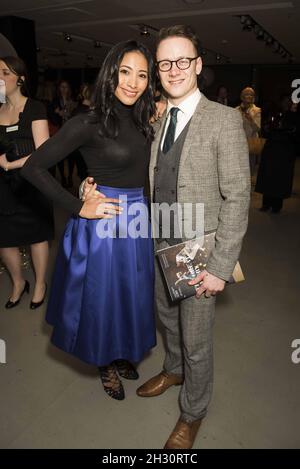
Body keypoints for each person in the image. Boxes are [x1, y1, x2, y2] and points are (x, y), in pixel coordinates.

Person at [135, 25, 250, 449]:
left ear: (198, 65)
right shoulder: (159, 116)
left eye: (183, 60)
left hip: (200, 253)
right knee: (167, 320)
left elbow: (237, 196)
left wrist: (220, 266)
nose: (173, 69)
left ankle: (193, 411)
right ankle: (173, 369)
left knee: (197, 338)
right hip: (159, 242)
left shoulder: (223, 119)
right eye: (165, 63)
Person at [21, 40, 157, 401]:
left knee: (130, 295)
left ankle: (120, 349)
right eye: (125, 72)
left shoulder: (144, 120)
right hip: (105, 225)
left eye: (142, 74)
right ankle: (104, 362)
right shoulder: (88, 122)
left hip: (137, 223)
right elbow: (34, 167)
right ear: (111, 73)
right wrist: (77, 204)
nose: (133, 82)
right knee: (103, 300)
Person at [0, 56, 54, 309]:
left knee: (36, 236)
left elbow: (43, 152)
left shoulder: (35, 108)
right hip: (2, 187)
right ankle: (19, 282)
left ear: (20, 78)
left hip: (30, 183)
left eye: (4, 72)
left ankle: (40, 283)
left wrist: (10, 164)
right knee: (5, 239)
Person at [255, 95, 298, 213]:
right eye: (284, 101)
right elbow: (265, 127)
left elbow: (294, 131)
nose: (286, 103)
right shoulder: (274, 112)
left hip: (285, 149)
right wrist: (267, 127)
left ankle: (276, 206)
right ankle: (266, 204)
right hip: (272, 147)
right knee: (268, 176)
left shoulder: (293, 115)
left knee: (280, 178)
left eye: (288, 102)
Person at [236, 87, 262, 176]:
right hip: (238, 141)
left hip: (251, 141)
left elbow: (258, 128)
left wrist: (250, 119)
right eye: (247, 94)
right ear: (242, 97)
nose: (249, 96)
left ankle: (249, 184)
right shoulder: (236, 110)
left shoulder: (257, 110)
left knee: (250, 166)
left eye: (251, 94)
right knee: (238, 165)